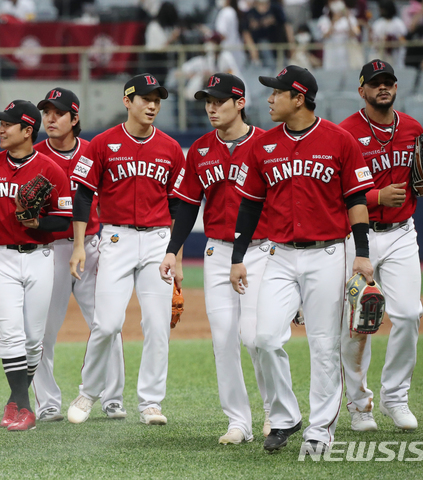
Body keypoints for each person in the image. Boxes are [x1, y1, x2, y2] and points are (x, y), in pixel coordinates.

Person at [229, 66, 375, 453]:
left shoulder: (339, 141)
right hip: (278, 254)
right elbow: (249, 206)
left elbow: (356, 200)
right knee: (263, 338)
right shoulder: (263, 146)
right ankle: (285, 418)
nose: (269, 99)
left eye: (276, 92)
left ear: (299, 97)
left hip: (328, 254)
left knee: (325, 344)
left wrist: (361, 253)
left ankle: (320, 429)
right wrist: (237, 257)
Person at [159, 73, 273, 444]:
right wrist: (172, 251)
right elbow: (189, 205)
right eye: (207, 101)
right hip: (217, 250)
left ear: (240, 103)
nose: (211, 107)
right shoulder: (202, 149)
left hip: (261, 251)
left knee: (256, 338)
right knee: (224, 339)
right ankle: (239, 421)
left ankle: (276, 413)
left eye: (219, 100)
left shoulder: (266, 145)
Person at [66, 74, 185, 426]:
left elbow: (179, 205)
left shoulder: (171, 148)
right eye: (145, 98)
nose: (152, 105)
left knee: (158, 324)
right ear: (127, 101)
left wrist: (175, 255)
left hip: (158, 240)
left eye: (157, 100)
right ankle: (88, 393)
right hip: (115, 238)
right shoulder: (101, 144)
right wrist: (78, 245)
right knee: (107, 323)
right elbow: (84, 195)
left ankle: (150, 402)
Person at [339, 59, 423, 432]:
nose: (384, 87)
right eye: (376, 83)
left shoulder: (412, 128)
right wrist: (378, 195)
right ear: (361, 90)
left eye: (389, 82)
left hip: (400, 234)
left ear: (396, 88)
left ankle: (395, 398)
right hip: (357, 234)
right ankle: (359, 405)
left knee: (409, 314)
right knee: (357, 323)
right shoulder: (345, 132)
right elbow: (337, 191)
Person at [0, 100, 72, 431]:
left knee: (33, 340)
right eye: (0, 122)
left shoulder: (52, 170)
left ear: (27, 131)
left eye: (8, 124)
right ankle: (25, 407)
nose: (1, 128)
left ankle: (14, 401)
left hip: (39, 258)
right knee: (10, 334)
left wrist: (38, 223)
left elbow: (65, 221)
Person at [32, 88, 126, 422]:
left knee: (107, 324)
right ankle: (47, 402)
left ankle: (112, 397)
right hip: (51, 250)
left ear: (75, 118)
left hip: (93, 247)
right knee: (43, 330)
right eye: (46, 112)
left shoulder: (94, 151)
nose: (50, 118)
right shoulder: (33, 154)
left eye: (58, 113)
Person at [242, 0, 295, 69]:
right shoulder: (250, 13)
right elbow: (246, 33)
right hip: (260, 49)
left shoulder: (275, 9)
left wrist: (291, 44)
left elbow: (286, 26)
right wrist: (253, 50)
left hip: (278, 46)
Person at [317, 0, 362, 70]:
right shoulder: (324, 20)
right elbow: (325, 35)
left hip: (347, 56)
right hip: (331, 56)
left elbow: (355, 34)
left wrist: (348, 18)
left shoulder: (351, 19)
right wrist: (334, 20)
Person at [370, 0, 408, 68]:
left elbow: (403, 41)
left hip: (395, 58)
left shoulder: (398, 24)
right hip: (381, 58)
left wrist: (392, 42)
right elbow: (373, 43)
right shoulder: (378, 24)